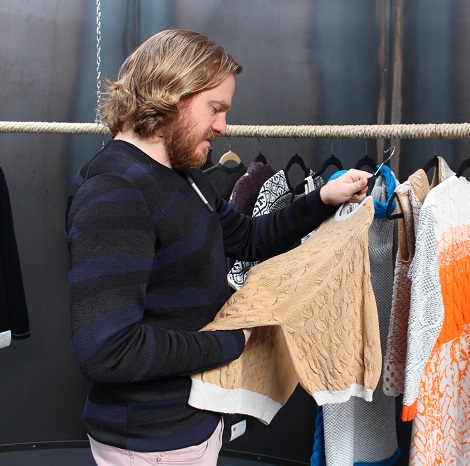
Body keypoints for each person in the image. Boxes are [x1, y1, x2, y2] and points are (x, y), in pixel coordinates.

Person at [65, 28, 372, 465]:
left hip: (193, 422)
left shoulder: (182, 176)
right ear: (171, 93)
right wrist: (233, 341)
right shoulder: (115, 192)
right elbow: (108, 351)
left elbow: (248, 238)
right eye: (216, 108)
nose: (223, 127)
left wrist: (321, 200)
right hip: (151, 442)